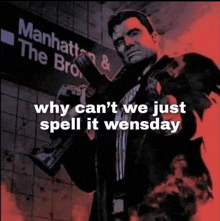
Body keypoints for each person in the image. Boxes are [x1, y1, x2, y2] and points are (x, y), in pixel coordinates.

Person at [60, 10, 220, 221]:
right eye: (118, 41)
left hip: (166, 209)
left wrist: (177, 112)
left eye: (134, 33)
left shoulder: (184, 69)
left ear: (154, 36)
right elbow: (88, 179)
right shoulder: (114, 103)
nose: (126, 43)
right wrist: (69, 129)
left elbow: (204, 110)